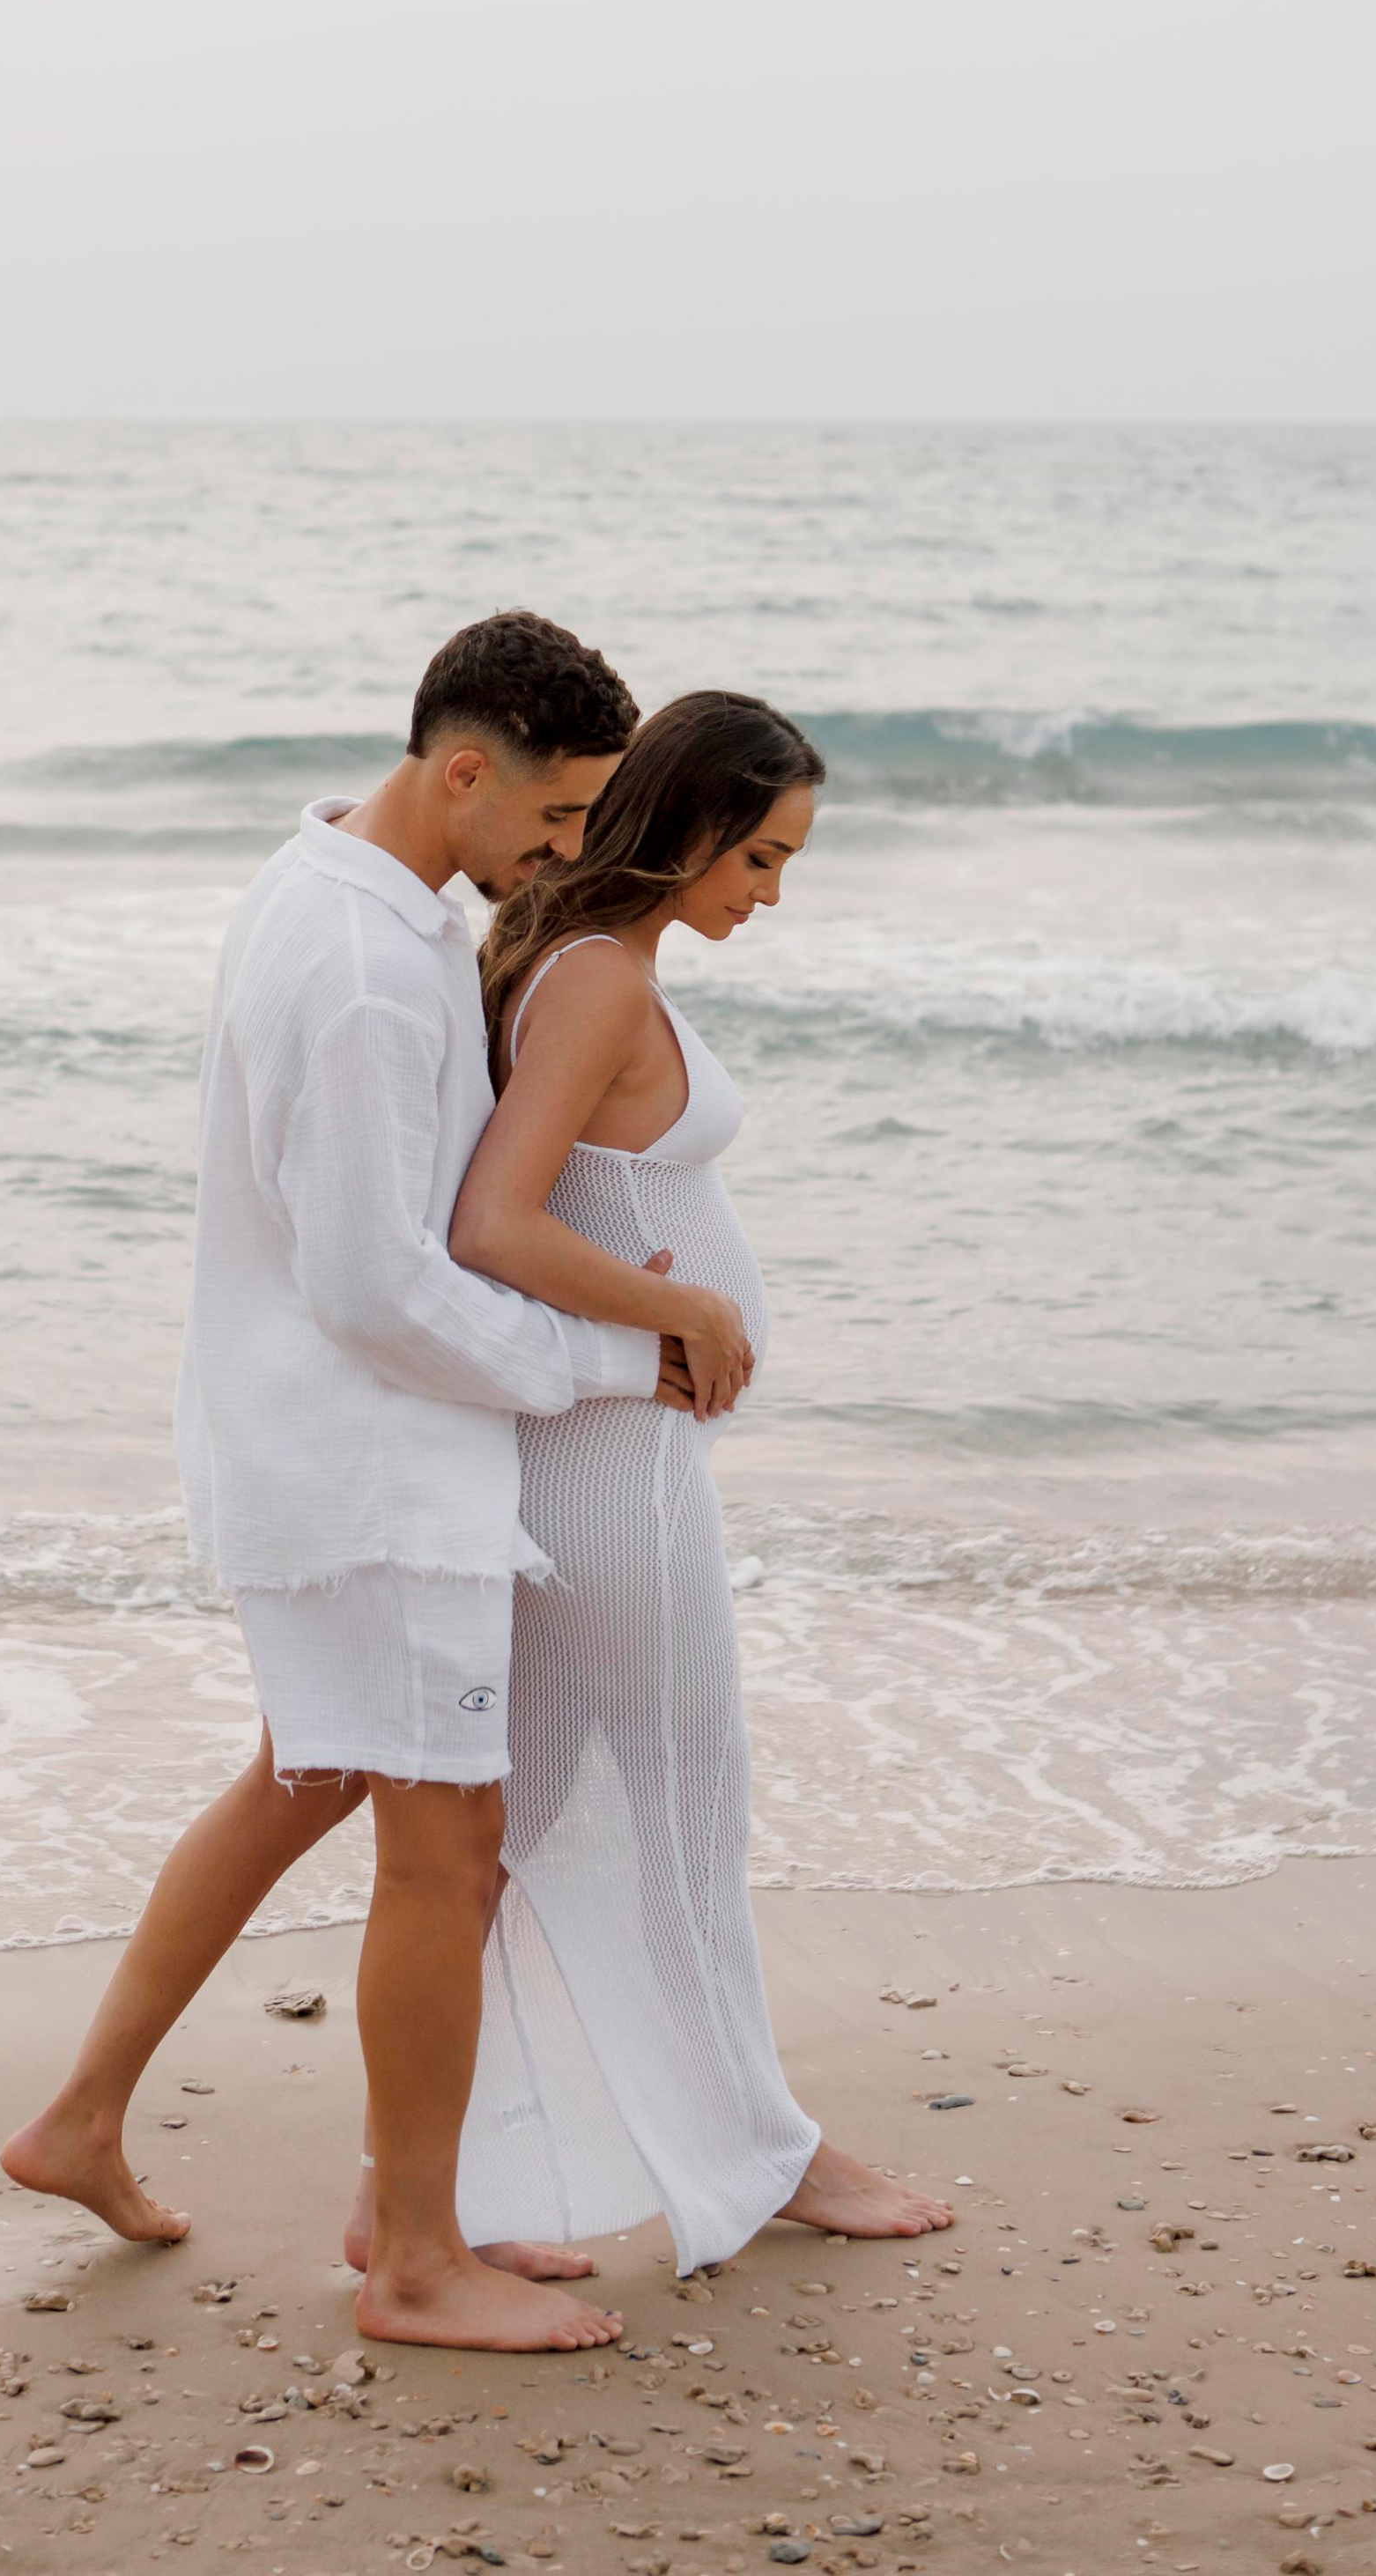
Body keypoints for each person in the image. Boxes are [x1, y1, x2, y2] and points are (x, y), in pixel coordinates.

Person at [0, 612, 755, 2352]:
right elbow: (375, 1279)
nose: (571, 854)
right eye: (558, 818)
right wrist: (608, 1358)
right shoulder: (354, 964)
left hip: (321, 1446)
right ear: (461, 767)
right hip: (367, 1463)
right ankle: (415, 2255)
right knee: (448, 1844)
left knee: (306, 1779)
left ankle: (81, 2120)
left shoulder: (351, 899)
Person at [444, 689, 951, 2272]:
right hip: (604, 1472)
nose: (773, 895)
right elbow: (493, 1226)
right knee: (670, 1812)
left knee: (544, 1828)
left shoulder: (570, 950)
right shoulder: (595, 975)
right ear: (690, 825)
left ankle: (446, 2193)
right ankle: (765, 2155)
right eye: (766, 856)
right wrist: (688, 1307)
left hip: (593, 1457)